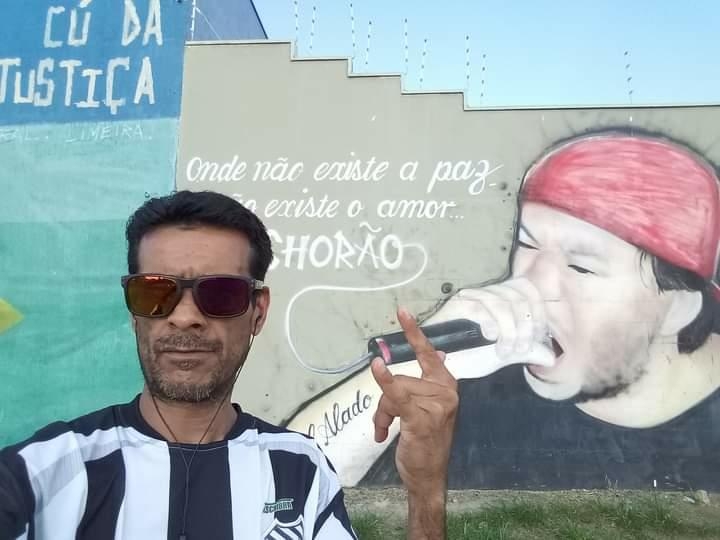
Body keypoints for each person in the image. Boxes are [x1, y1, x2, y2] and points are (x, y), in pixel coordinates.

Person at [0, 190, 459, 539]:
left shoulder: (297, 469)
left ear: (258, 312)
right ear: (133, 310)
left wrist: (425, 491)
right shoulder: (40, 473)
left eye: (220, 293)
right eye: (155, 291)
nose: (184, 317)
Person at [288, 129, 720, 491]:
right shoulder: (478, 383)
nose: (534, 284)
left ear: (677, 309)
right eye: (527, 244)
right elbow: (287, 478)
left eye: (581, 266)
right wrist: (425, 358)